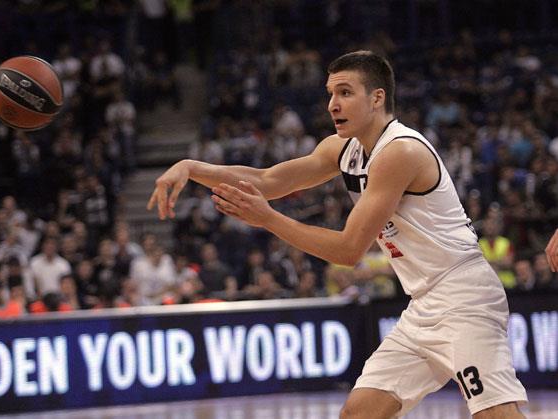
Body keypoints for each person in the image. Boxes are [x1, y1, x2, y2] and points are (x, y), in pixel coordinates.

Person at [147, 50, 528, 418]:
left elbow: (348, 250)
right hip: (424, 303)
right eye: (330, 94)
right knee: (359, 413)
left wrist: (268, 219)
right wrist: (191, 167)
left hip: (464, 297)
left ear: (377, 98)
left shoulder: (400, 151)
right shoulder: (343, 149)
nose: (332, 104)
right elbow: (267, 180)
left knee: (494, 414)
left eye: (345, 92)